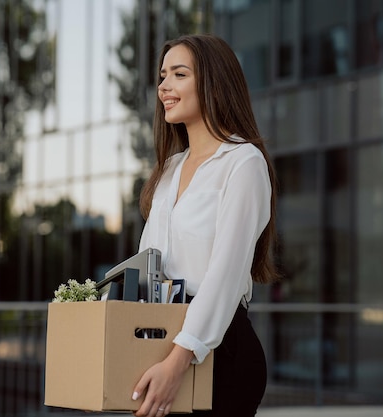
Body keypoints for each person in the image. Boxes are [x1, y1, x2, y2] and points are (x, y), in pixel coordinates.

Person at [131, 34, 279, 417]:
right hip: (165, 341)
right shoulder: (169, 169)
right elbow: (149, 267)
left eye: (179, 74)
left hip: (217, 352)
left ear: (214, 82)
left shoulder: (243, 163)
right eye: (163, 75)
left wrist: (178, 360)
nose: (164, 86)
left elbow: (225, 274)